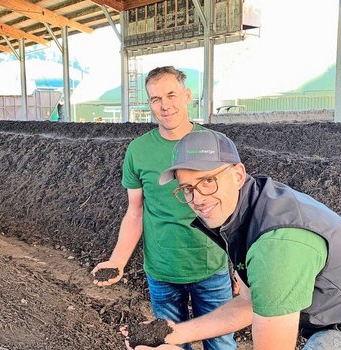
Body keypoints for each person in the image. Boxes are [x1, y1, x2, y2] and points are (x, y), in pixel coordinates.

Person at [128, 130, 341, 350]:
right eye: (187, 188)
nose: (197, 198)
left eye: (207, 181)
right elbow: (249, 303)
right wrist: (173, 333)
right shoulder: (245, 211)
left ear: (238, 174)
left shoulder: (275, 245)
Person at [91, 67, 236, 350]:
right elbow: (135, 212)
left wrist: (241, 269)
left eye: (171, 95)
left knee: (220, 344)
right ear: (149, 104)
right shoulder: (138, 150)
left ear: (187, 96)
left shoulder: (214, 144)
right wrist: (117, 261)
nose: (165, 105)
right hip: (162, 272)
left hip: (211, 267)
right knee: (169, 344)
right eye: (156, 98)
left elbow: (234, 210)